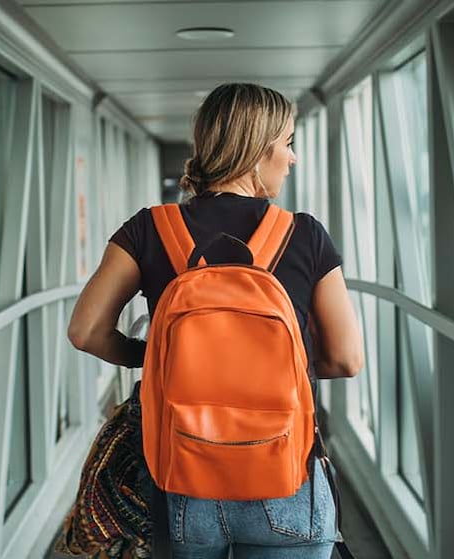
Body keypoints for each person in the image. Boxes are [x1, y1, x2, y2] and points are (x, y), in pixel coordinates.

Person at [66, 82, 364, 559]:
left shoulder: (149, 228)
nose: (292, 158)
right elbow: (346, 359)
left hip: (182, 481)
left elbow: (85, 331)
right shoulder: (304, 234)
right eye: (288, 143)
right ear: (258, 148)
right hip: (285, 478)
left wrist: (158, 360)